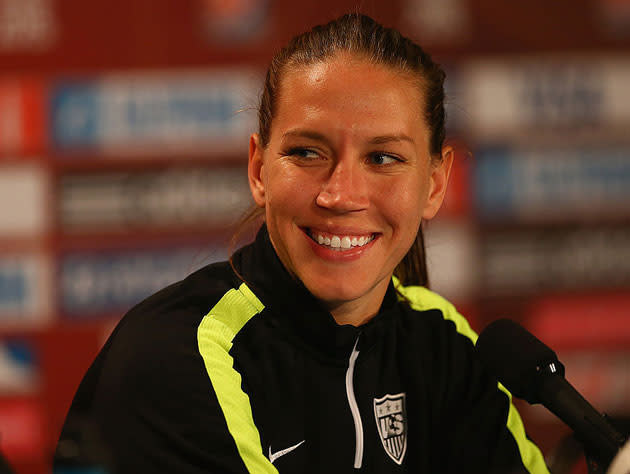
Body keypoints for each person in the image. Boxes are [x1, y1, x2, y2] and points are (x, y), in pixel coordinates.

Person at [54, 13, 550, 474]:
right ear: (258, 168)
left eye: (382, 158)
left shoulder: (440, 339)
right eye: (307, 152)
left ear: (436, 185)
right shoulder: (176, 354)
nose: (341, 195)